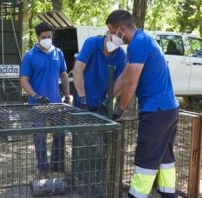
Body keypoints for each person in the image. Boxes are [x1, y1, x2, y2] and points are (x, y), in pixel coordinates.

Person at [105, 10, 180, 198]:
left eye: (111, 31)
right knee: (165, 159)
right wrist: (107, 100)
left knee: (145, 159)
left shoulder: (138, 44)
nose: (111, 36)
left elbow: (131, 83)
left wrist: (119, 109)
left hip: (156, 110)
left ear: (121, 28)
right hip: (168, 108)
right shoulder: (141, 41)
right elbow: (123, 77)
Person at [20, 22, 70, 175]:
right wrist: (36, 96)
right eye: (44, 37)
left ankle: (57, 166)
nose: (47, 39)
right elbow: (23, 80)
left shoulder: (58, 53)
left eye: (49, 36)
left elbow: (64, 75)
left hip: (56, 103)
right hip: (37, 105)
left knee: (59, 135)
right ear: (37, 37)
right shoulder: (29, 56)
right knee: (40, 137)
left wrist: (67, 97)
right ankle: (43, 169)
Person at [73, 31, 126, 118]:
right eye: (113, 41)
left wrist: (107, 101)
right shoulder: (91, 43)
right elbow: (77, 70)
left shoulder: (121, 56)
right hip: (81, 105)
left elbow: (120, 83)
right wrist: (83, 99)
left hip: (102, 108)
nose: (114, 45)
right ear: (108, 33)